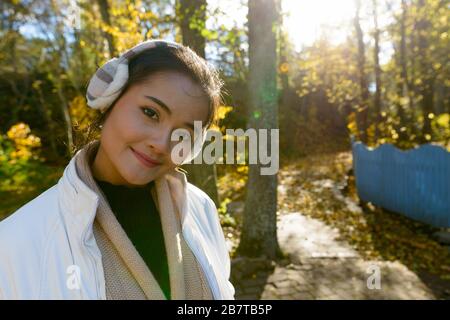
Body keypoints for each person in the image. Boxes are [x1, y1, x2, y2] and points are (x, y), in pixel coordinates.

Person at [0, 39, 235, 300]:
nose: (161, 144)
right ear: (109, 97)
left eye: (183, 133)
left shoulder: (201, 209)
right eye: (150, 112)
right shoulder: (14, 244)